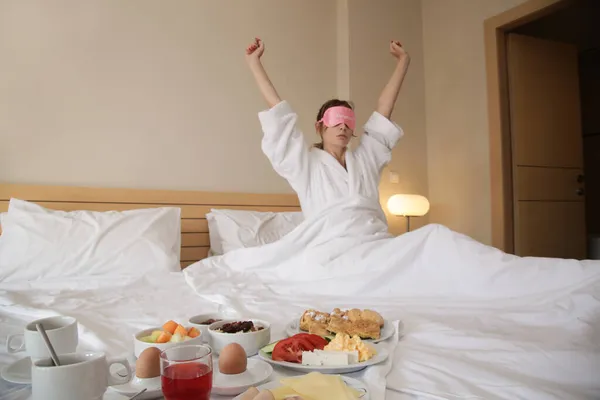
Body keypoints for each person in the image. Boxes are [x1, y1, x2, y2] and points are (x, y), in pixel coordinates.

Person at [245, 37, 410, 222]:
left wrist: (403, 62)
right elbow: (280, 115)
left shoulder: (365, 161)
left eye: (348, 122)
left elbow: (384, 110)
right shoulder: (305, 166)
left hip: (372, 239)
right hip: (329, 243)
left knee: (435, 233)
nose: (343, 126)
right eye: (336, 120)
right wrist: (254, 63)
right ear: (319, 126)